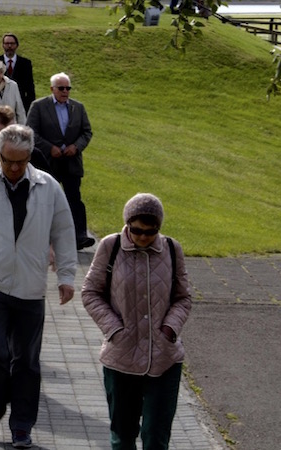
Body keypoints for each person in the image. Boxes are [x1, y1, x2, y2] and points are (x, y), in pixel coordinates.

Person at [0, 124, 77, 449]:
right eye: (8, 161)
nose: (14, 168)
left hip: (31, 288)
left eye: (21, 161)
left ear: (30, 156)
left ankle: (21, 425)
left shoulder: (48, 187)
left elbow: (64, 232)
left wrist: (66, 276)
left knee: (26, 361)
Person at [81, 193, 191, 450]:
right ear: (127, 223)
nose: (143, 237)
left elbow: (183, 298)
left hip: (164, 359)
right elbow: (90, 292)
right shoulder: (110, 246)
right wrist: (114, 329)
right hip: (121, 358)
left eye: (151, 232)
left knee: (156, 437)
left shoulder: (172, 249)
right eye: (137, 230)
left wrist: (169, 329)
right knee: (122, 436)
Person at [27, 72, 94, 250]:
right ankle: (43, 235)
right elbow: (31, 132)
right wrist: (49, 148)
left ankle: (80, 236)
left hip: (71, 161)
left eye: (68, 88)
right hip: (48, 161)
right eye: (61, 88)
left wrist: (76, 147)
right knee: (46, 198)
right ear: (52, 89)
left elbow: (87, 132)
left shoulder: (78, 108)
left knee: (74, 198)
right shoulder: (39, 106)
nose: (65, 92)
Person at [0, 33, 35, 112]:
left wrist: (29, 107)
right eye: (7, 43)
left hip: (20, 105)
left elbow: (30, 87)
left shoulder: (26, 63)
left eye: (12, 43)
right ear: (3, 45)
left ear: (17, 45)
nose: (9, 46)